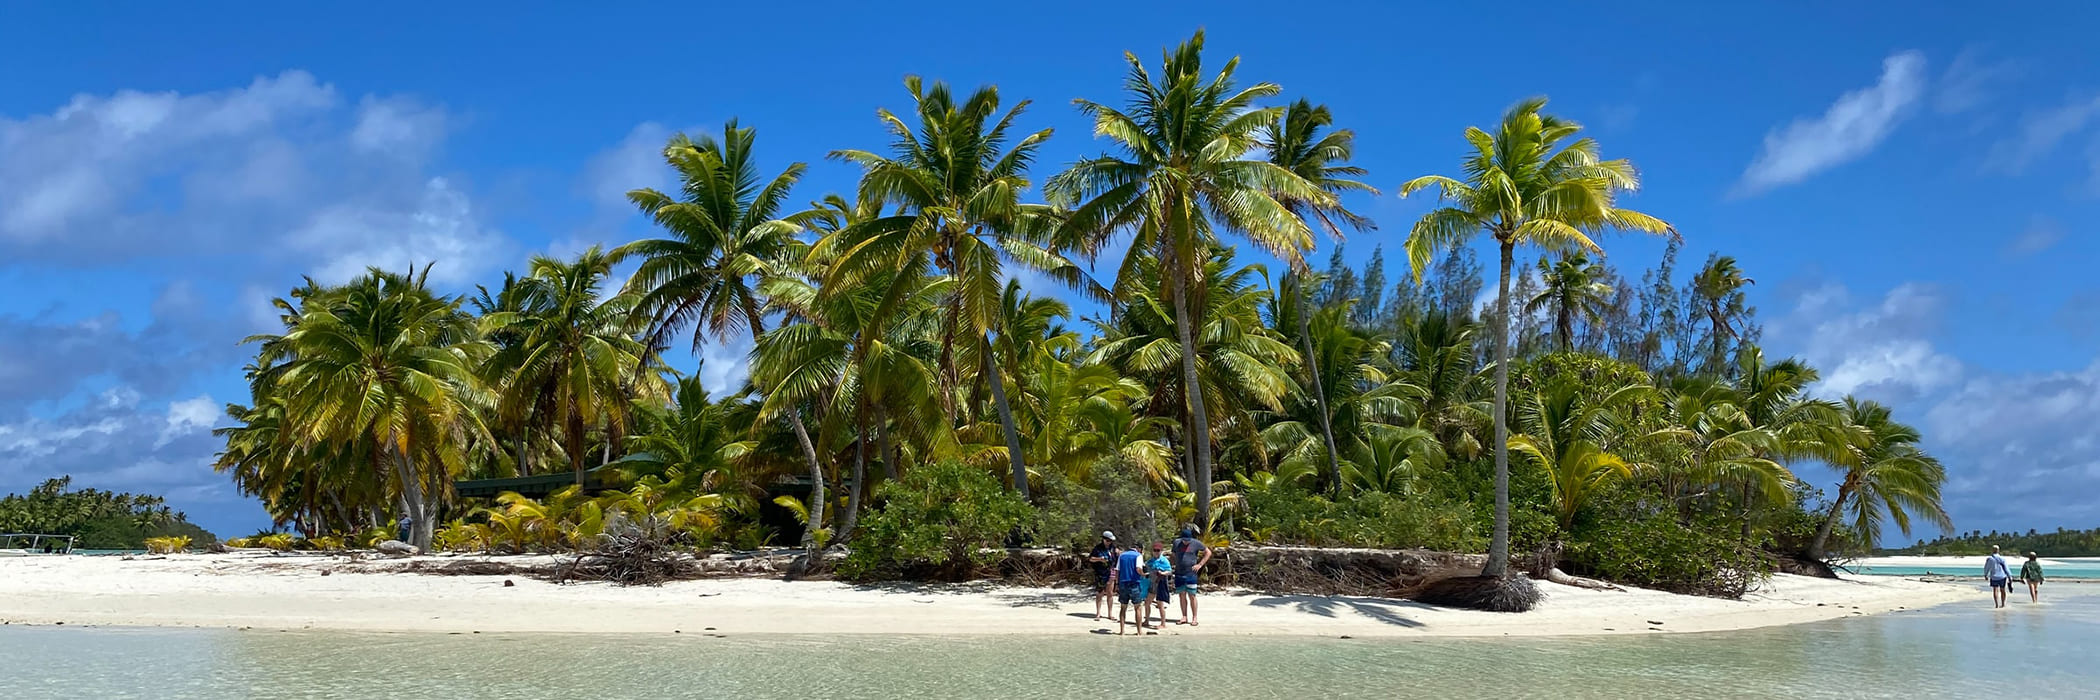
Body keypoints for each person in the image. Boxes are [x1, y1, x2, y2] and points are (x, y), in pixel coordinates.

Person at [1171, 525, 1213, 626]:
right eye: (1185, 540)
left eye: (1188, 540)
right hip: (1179, 573)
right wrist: (1173, 564)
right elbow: (1173, 554)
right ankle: (1184, 616)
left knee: (1192, 595)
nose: (1186, 542)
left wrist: (1200, 564)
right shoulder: (1176, 543)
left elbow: (1208, 552)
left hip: (1191, 574)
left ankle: (1194, 618)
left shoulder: (1196, 543)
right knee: (1181, 595)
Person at [1114, 542, 1147, 635]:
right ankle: (1139, 631)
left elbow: (1117, 570)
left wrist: (1117, 583)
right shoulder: (1138, 556)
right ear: (1140, 549)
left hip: (1123, 583)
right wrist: (1143, 575)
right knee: (1138, 607)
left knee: (1123, 607)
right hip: (1134, 583)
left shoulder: (1122, 555)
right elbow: (1138, 569)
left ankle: (1122, 631)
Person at [1088, 532, 1117, 620]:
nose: (1109, 542)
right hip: (1100, 573)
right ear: (1103, 539)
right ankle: (1098, 613)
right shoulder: (1097, 549)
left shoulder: (1113, 548)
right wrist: (1100, 559)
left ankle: (1110, 614)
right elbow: (1091, 559)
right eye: (1108, 540)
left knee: (1110, 593)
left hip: (1111, 572)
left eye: (1111, 541)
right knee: (1100, 593)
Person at [1147, 541, 1174, 627]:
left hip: (1161, 583)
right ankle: (1146, 620)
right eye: (1155, 550)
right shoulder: (1150, 561)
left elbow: (1169, 571)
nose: (1156, 552)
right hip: (1152, 583)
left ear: (1161, 551)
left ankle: (1163, 623)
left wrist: (1162, 573)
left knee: (1160, 604)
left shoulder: (1164, 560)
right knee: (1147, 602)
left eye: (1158, 550)